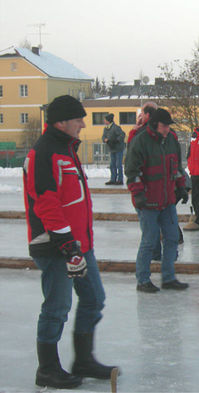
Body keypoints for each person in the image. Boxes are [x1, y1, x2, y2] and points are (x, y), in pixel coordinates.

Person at [23, 95, 117, 389]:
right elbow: (46, 202)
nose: (83, 124)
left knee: (93, 299)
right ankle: (47, 369)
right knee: (57, 306)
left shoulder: (66, 149)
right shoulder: (44, 152)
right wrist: (66, 244)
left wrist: (78, 244)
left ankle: (83, 360)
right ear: (61, 122)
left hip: (79, 245)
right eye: (78, 119)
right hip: (55, 246)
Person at [125, 108, 190, 293]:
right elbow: (132, 171)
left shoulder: (171, 140)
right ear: (154, 125)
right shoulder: (140, 141)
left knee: (171, 238)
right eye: (164, 126)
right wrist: (138, 194)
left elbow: (176, 167)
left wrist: (181, 186)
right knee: (150, 240)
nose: (167, 130)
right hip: (148, 202)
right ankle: (143, 279)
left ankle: (168, 277)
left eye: (169, 126)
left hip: (167, 200)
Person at [102, 113, 126, 185]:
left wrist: (116, 140)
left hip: (118, 148)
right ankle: (113, 179)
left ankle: (120, 180)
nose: (104, 121)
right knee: (112, 164)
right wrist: (105, 140)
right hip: (111, 149)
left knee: (118, 164)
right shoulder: (106, 129)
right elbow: (103, 137)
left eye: (105, 120)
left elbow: (122, 135)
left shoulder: (116, 127)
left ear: (108, 120)